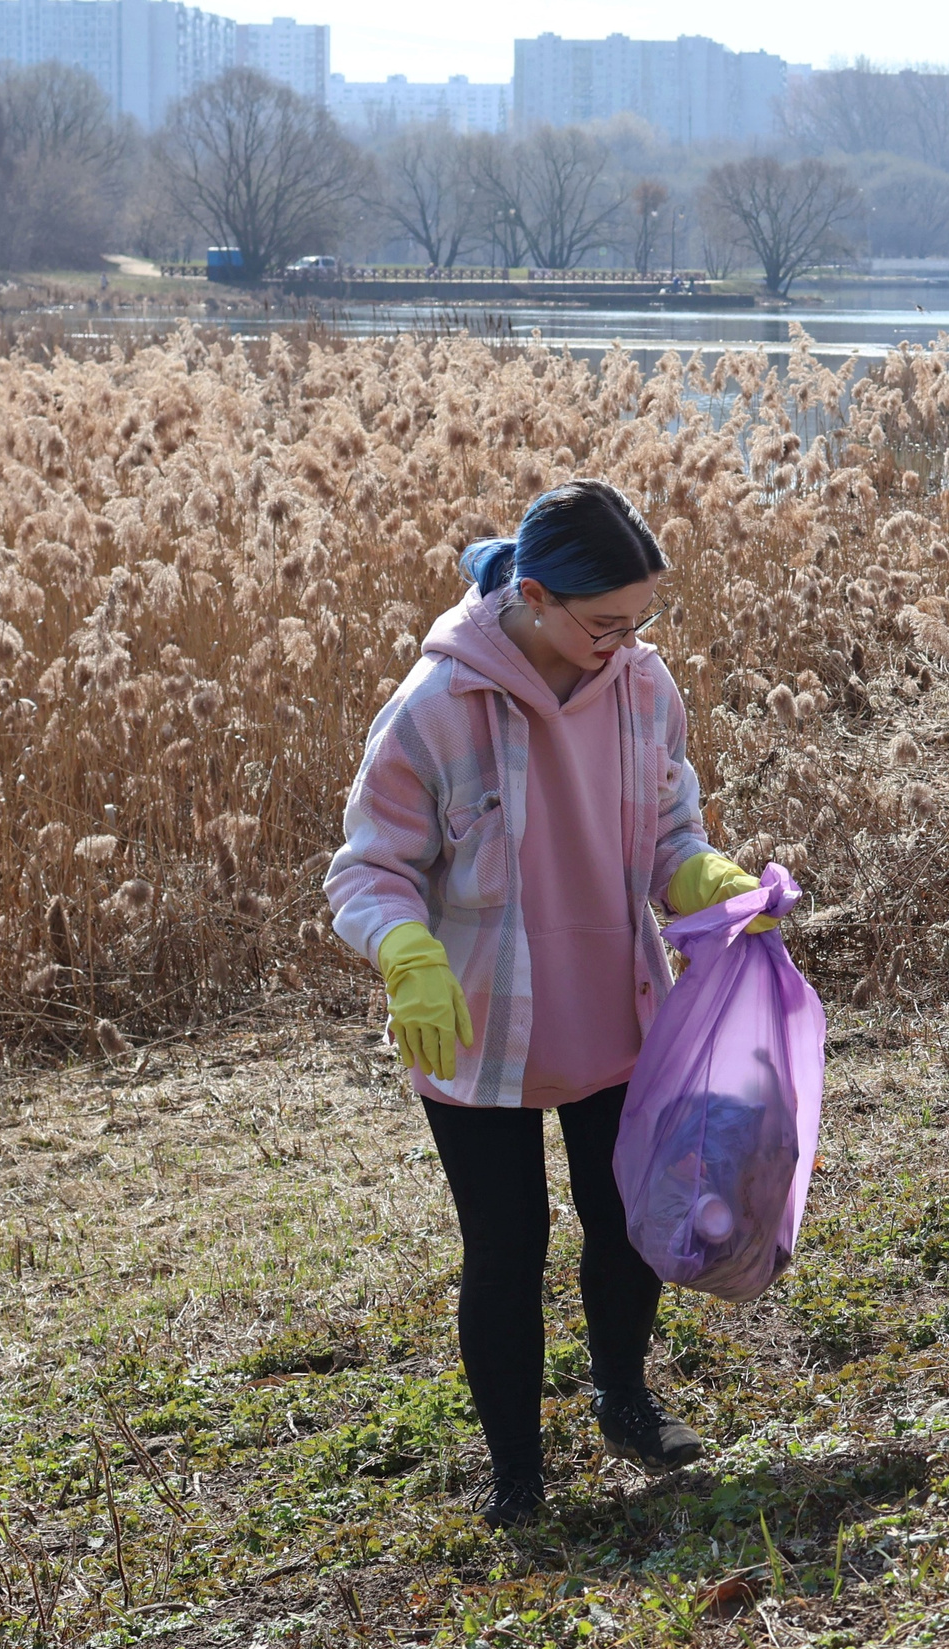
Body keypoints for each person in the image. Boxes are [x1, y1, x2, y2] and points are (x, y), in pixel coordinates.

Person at [325, 480, 775, 1525]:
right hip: (475, 1020)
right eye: (606, 623)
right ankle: (516, 1474)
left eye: (642, 621)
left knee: (625, 1221)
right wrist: (405, 950)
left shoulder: (642, 686)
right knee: (506, 1244)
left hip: (614, 1010)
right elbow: (367, 868)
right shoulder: (435, 710)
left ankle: (624, 1396)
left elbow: (672, 828)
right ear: (531, 596)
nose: (627, 642)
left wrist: (702, 877)